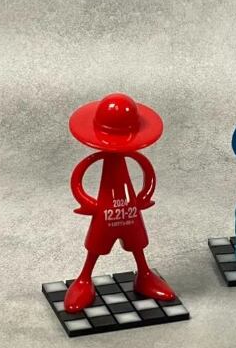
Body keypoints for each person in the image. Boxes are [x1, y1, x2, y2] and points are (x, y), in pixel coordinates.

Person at [64, 93, 176, 312]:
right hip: (106, 214)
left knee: (138, 244)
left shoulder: (133, 157)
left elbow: (147, 171)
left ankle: (144, 275)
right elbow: (78, 179)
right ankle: (84, 279)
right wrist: (89, 203)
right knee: (95, 247)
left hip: (130, 212)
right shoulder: (106, 159)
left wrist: (143, 196)